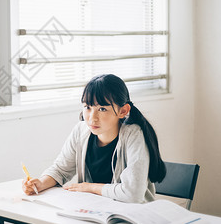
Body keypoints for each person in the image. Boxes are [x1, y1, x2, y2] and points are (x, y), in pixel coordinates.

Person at [22, 74, 166, 203]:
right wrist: (40, 183)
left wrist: (89, 187)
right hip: (93, 212)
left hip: (132, 216)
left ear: (123, 111)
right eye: (87, 107)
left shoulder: (133, 135)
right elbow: (60, 170)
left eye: (102, 109)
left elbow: (133, 194)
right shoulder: (81, 130)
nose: (92, 118)